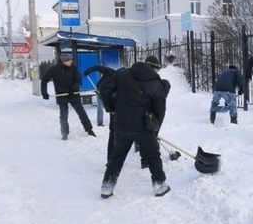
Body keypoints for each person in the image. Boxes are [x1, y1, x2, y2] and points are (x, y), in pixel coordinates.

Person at [98, 55, 170, 198]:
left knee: (117, 156)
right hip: (143, 126)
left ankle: (107, 186)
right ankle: (159, 185)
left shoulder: (122, 74)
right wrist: (155, 129)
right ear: (155, 69)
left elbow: (103, 89)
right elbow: (159, 111)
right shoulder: (155, 83)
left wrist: (112, 109)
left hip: (121, 124)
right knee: (153, 154)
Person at [41, 53, 96, 141]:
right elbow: (44, 80)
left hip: (73, 93)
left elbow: (78, 80)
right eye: (69, 60)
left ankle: (89, 129)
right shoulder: (54, 69)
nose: (71, 61)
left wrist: (74, 88)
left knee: (81, 112)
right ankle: (64, 134)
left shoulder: (73, 68)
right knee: (63, 115)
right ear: (63, 62)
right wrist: (44, 92)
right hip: (61, 95)